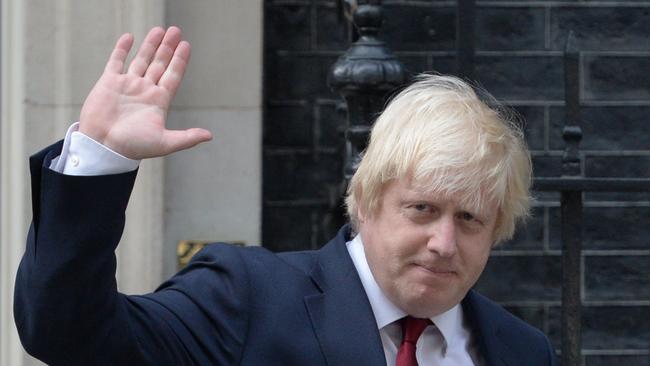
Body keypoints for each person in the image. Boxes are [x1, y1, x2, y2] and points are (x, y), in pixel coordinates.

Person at [14, 26, 557, 366]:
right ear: (366, 201)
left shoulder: (522, 351)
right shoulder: (248, 298)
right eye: (422, 209)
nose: (444, 242)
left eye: (469, 219)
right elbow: (68, 335)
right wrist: (101, 159)